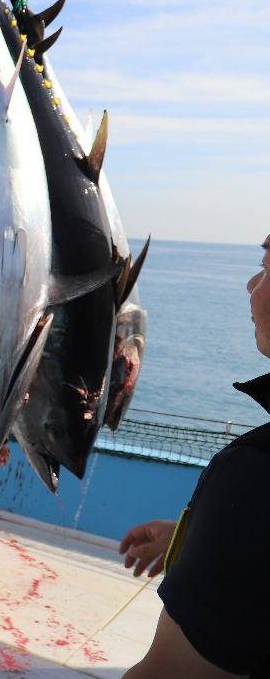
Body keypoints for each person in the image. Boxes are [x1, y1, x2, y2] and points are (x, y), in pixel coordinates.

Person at [122, 232, 270, 676]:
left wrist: (229, 522)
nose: (251, 283)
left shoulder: (254, 475)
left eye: (268, 265)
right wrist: (196, 536)